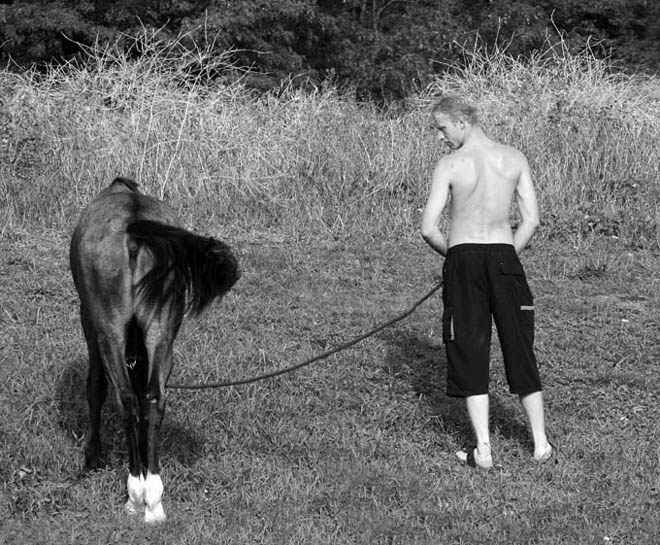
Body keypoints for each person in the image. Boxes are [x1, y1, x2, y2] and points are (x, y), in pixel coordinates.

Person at [420, 95, 552, 468]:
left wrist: (457, 257)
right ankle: (540, 443)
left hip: (462, 260)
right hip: (504, 257)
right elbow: (532, 221)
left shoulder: (449, 164)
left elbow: (428, 229)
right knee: (519, 345)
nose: (441, 137)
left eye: (442, 129)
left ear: (462, 122)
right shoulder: (513, 158)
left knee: (469, 349)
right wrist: (506, 255)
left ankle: (484, 449)